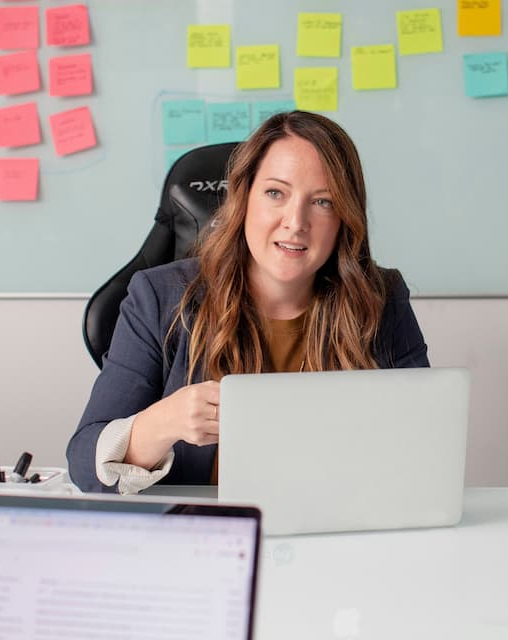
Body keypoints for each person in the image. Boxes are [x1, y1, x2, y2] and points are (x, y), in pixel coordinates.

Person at [67, 111, 430, 493]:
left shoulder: (380, 298)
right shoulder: (160, 297)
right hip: (204, 532)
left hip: (334, 525)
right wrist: (164, 422)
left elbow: (426, 443)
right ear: (244, 198)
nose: (296, 221)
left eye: (322, 201)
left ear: (344, 216)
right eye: (276, 193)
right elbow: (83, 466)